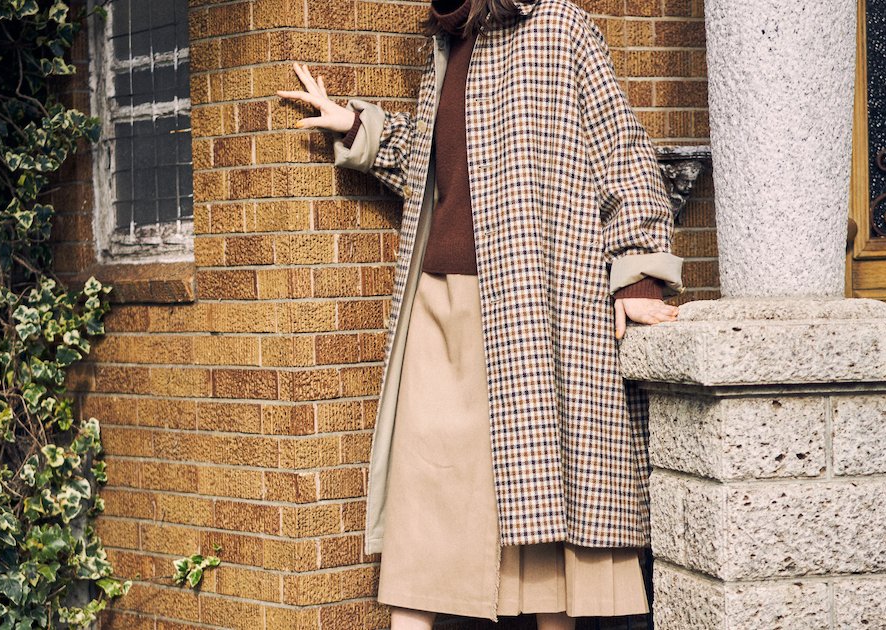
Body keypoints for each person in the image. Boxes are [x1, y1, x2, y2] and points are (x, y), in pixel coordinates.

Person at [277, 0, 683, 628]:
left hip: (537, 300)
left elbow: (624, 156)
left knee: (542, 509)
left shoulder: (558, 27)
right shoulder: (448, 43)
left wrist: (639, 273)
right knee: (424, 497)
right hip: (441, 301)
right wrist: (356, 125)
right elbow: (439, 166)